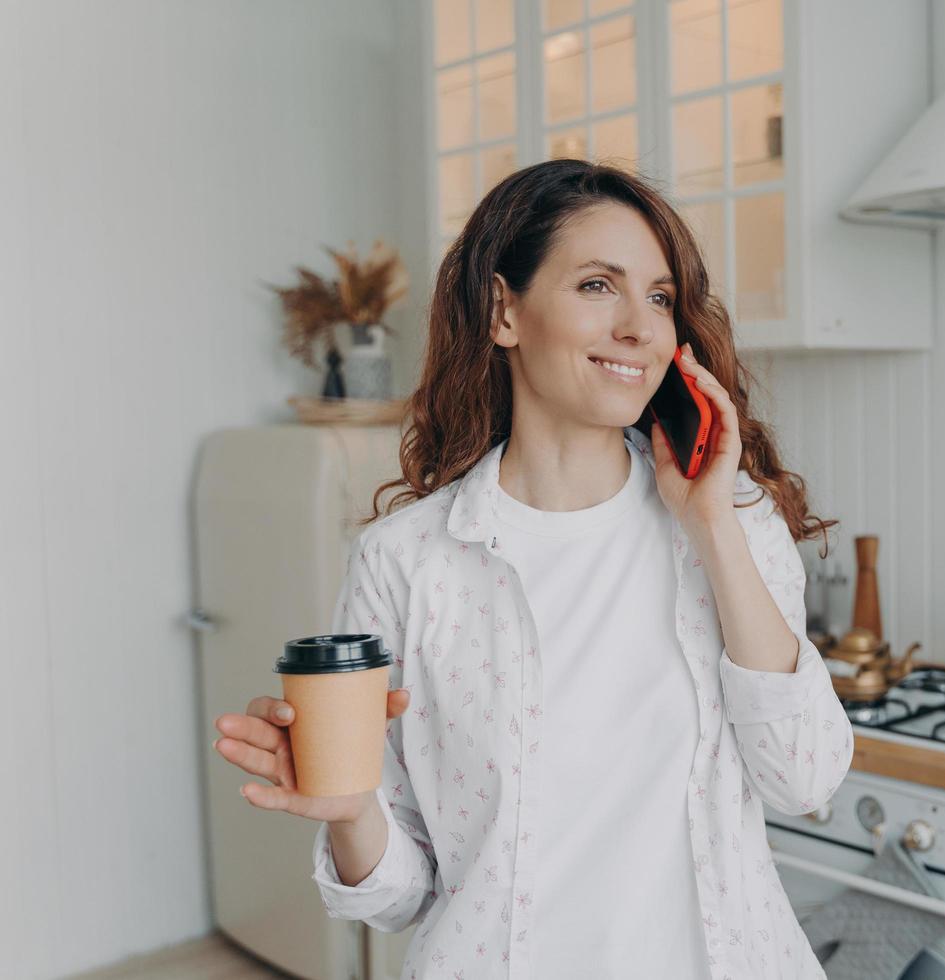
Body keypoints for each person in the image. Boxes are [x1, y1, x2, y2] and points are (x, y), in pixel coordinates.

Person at [212, 158, 853, 979]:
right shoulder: (406, 560)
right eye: (597, 286)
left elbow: (803, 778)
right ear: (503, 310)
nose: (640, 327)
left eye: (659, 298)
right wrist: (347, 813)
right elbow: (402, 895)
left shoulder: (735, 523)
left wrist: (713, 529)